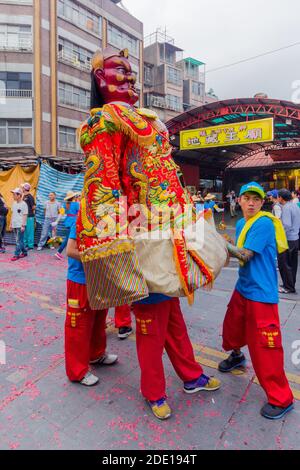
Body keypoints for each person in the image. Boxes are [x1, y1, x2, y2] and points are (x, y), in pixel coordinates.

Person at [76, 47, 222, 420]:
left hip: (170, 232)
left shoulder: (146, 118)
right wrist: (112, 240)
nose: (130, 77)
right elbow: (102, 183)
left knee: (171, 315)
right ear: (99, 79)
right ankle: (154, 391)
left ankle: (190, 375)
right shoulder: (105, 120)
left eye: (131, 71)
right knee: (150, 323)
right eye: (119, 71)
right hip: (143, 236)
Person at [219, 182, 294, 420]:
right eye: (247, 198)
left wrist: (216, 242)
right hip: (243, 287)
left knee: (265, 348)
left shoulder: (263, 222)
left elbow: (244, 254)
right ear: (238, 200)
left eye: (256, 199)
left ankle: (282, 398)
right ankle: (237, 355)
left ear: (263, 203)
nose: (251, 203)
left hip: (261, 293)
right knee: (232, 328)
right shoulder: (242, 223)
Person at [65, 221, 118, 386]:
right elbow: (70, 250)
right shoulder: (82, 218)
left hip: (100, 278)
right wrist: (98, 257)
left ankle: (96, 354)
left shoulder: (108, 219)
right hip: (81, 281)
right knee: (79, 327)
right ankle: (77, 371)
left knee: (98, 321)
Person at [277, 189, 300, 294]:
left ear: (281, 198)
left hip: (287, 240)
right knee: (293, 264)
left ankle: (288, 287)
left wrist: (278, 236)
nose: (277, 198)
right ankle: (290, 284)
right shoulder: (295, 205)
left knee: (284, 264)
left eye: (278, 196)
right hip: (295, 239)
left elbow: (286, 225)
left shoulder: (286, 207)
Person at [55, 191, 79, 260]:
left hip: (68, 221)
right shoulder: (76, 204)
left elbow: (61, 213)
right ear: (73, 197)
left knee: (69, 237)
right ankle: (59, 252)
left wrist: (57, 221)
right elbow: (80, 212)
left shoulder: (65, 204)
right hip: (74, 222)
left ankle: (69, 251)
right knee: (68, 238)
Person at [10, 187, 28, 261]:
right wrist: (10, 224)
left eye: (14, 194)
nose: (13, 196)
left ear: (19, 195)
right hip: (14, 224)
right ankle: (24, 252)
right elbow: (12, 214)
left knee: (18, 241)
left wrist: (23, 225)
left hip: (20, 225)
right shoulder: (14, 203)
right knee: (19, 240)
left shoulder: (24, 204)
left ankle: (16, 254)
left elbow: (25, 215)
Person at [22, 183, 36, 250]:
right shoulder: (23, 196)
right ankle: (25, 244)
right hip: (24, 216)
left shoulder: (30, 196)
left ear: (25, 188)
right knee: (24, 231)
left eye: (23, 187)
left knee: (29, 231)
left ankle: (30, 245)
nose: (22, 188)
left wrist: (29, 212)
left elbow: (33, 207)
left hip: (30, 216)